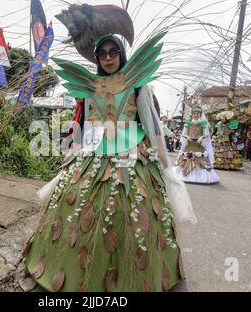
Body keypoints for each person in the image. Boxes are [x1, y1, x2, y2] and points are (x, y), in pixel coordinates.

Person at [24, 32, 196, 292]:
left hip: (132, 152)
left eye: (113, 52)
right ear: (97, 58)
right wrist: (74, 148)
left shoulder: (137, 84)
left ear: (121, 54)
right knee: (77, 207)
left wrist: (162, 157)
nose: (108, 58)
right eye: (102, 54)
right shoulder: (88, 86)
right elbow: (83, 122)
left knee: (134, 212)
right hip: (93, 153)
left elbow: (150, 122)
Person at [173, 104, 219, 184]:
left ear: (200, 115)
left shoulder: (203, 124)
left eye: (197, 114)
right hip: (189, 144)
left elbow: (206, 134)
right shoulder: (188, 123)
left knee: (199, 158)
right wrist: (187, 137)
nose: (196, 115)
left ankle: (198, 176)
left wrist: (201, 138)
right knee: (185, 157)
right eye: (194, 114)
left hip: (198, 145)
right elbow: (183, 134)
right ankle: (185, 174)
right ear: (192, 114)